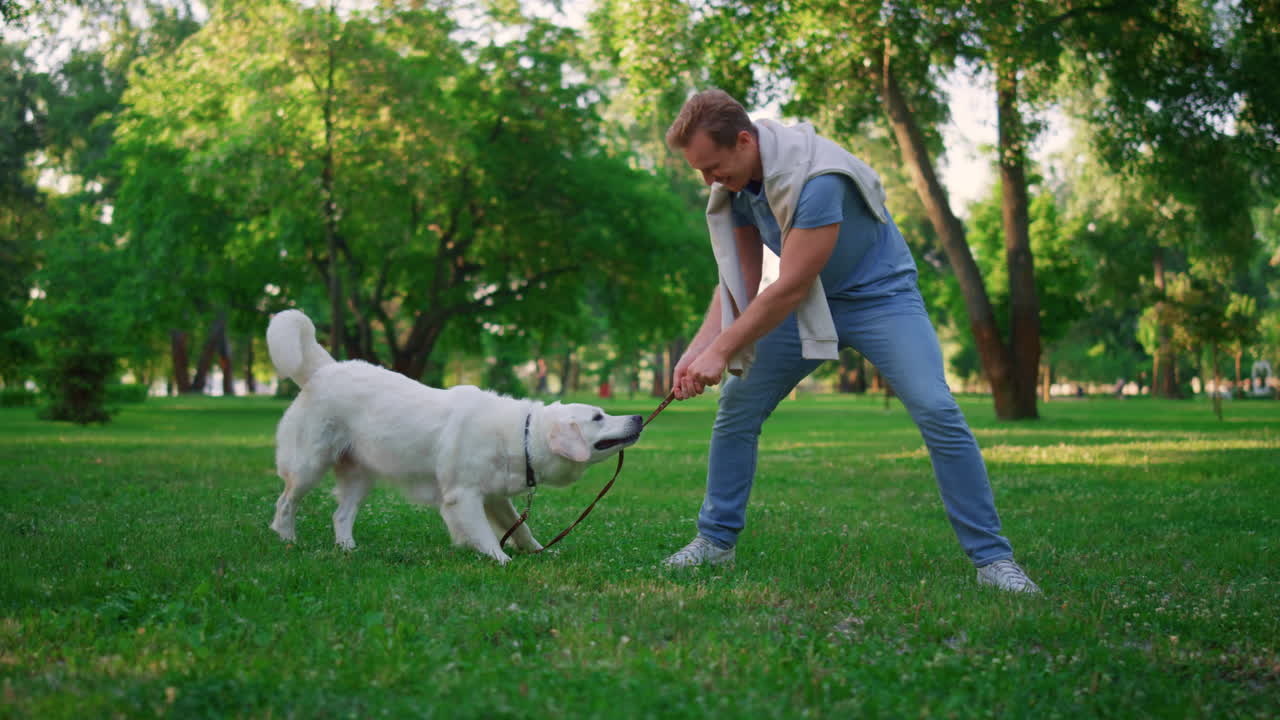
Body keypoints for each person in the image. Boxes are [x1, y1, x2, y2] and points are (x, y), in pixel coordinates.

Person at [660, 89, 1040, 593]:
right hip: (805, 301)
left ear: (745, 141)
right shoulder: (737, 186)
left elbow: (788, 285)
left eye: (712, 167)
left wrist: (722, 350)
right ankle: (715, 541)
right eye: (701, 171)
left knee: (936, 408)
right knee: (738, 404)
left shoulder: (817, 180)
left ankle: (993, 561)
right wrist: (697, 350)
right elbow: (739, 283)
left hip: (879, 298)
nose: (708, 182)